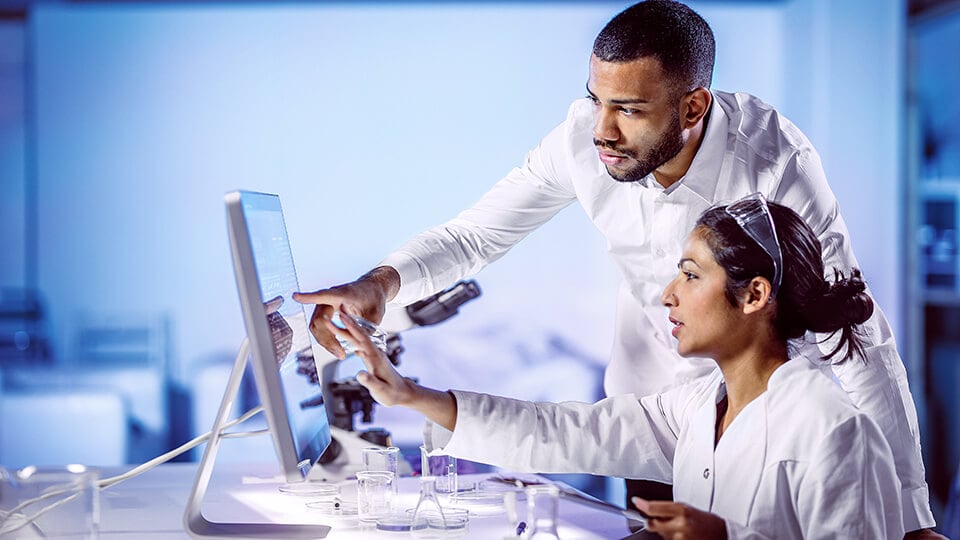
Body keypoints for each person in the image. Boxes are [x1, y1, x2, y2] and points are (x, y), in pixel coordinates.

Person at [294, 1, 940, 535]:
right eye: (595, 99)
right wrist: (381, 286)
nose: (601, 129)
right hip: (662, 409)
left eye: (629, 109)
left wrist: (910, 517)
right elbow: (476, 234)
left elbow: (856, 335)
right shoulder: (585, 135)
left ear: (693, 107)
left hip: (766, 403)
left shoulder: (774, 165)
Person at [328, 196, 904, 539]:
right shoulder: (698, 407)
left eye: (691, 274)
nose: (667, 296)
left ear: (754, 296)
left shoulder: (835, 431)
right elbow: (565, 432)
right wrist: (408, 394)